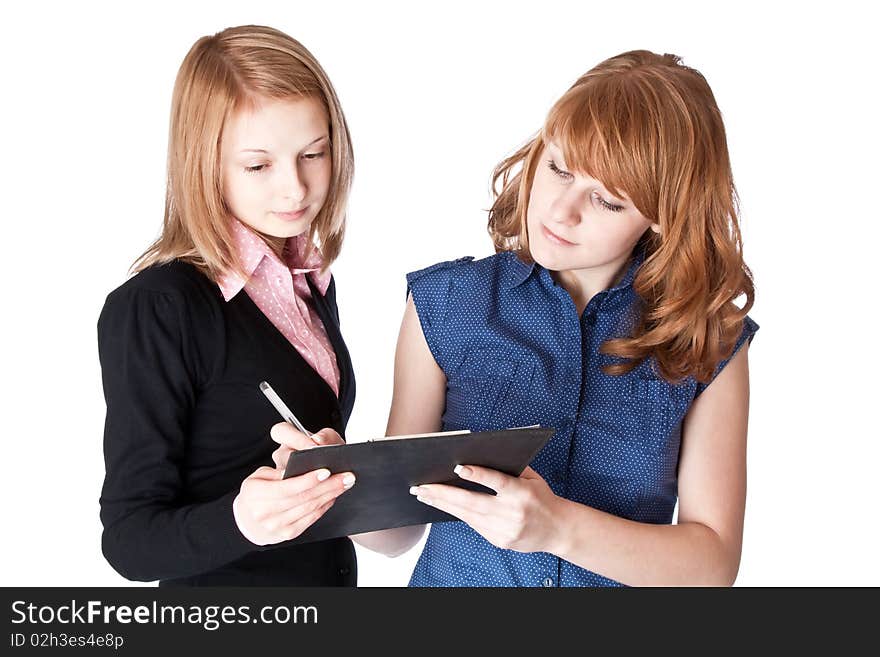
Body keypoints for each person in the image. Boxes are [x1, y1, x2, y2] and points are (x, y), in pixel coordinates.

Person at [278, 49, 758, 585]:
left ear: (665, 215)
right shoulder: (446, 305)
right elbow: (394, 536)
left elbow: (712, 565)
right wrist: (346, 480)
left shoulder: (708, 340)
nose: (561, 210)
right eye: (559, 168)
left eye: (608, 201)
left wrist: (557, 528)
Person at [97, 25, 359, 586]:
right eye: (258, 165)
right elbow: (128, 539)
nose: (295, 189)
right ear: (205, 162)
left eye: (313, 153)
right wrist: (242, 522)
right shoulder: (156, 309)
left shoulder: (308, 282)